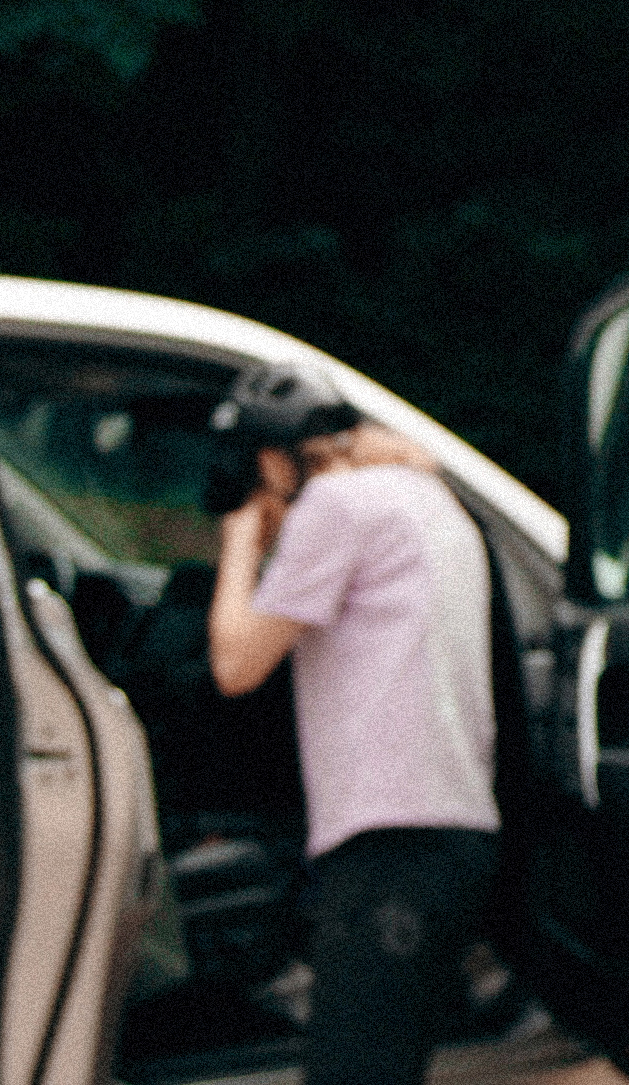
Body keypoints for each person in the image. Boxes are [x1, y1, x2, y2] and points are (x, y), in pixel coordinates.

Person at [206, 364, 499, 1085]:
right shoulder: (425, 498)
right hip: (448, 838)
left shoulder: (336, 506)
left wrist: (240, 540)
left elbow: (236, 664)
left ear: (274, 463)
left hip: (388, 846)